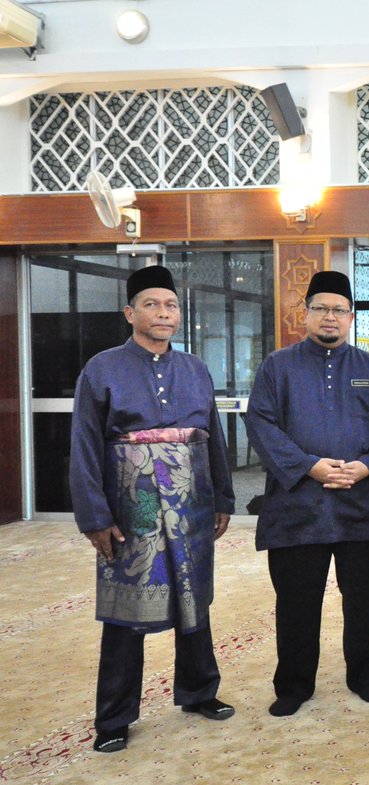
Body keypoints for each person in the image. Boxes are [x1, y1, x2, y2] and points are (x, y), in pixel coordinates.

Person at [69, 265, 236, 753]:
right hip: (131, 501)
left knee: (193, 596)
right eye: (152, 304)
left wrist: (223, 497)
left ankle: (199, 691)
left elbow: (213, 439)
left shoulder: (195, 368)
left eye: (171, 305)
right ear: (130, 312)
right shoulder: (102, 368)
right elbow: (83, 445)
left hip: (192, 498)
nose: (164, 313)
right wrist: (95, 516)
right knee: (126, 610)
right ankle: (115, 717)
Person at [245, 270, 369, 717]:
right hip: (297, 504)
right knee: (297, 599)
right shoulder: (278, 367)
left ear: (351, 317)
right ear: (306, 314)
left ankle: (365, 676)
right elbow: (261, 424)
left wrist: (368, 465)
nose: (330, 317)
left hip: (358, 502)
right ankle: (294, 685)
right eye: (321, 309)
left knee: (362, 598)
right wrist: (309, 467)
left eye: (339, 310)